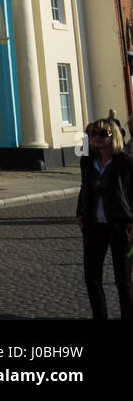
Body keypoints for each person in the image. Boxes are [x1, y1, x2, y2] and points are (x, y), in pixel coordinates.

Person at [75, 117, 133, 319]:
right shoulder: (87, 161)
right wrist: (80, 213)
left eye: (102, 134)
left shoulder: (125, 163)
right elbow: (84, 189)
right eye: (93, 134)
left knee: (123, 280)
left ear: (113, 136)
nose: (96, 138)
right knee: (92, 278)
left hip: (120, 226)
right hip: (93, 226)